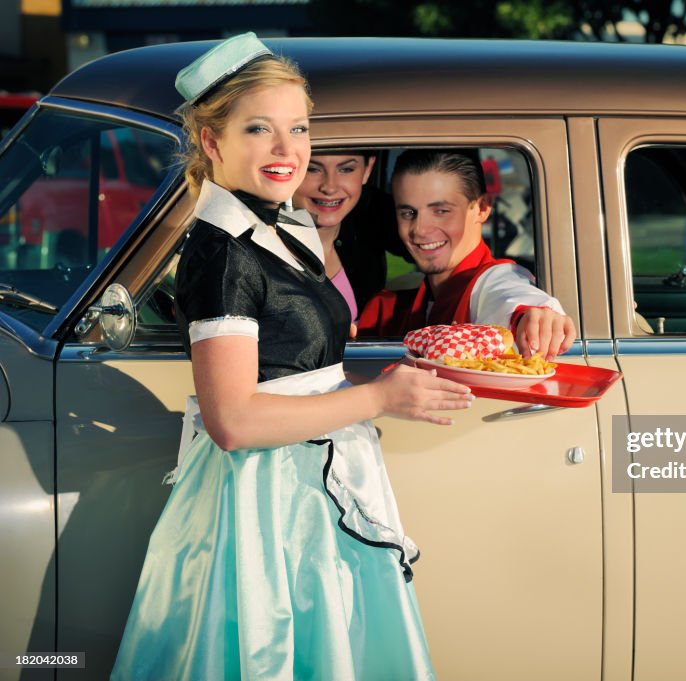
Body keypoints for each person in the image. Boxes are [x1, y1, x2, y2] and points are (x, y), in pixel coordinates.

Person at [111, 34, 470, 681]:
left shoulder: (281, 229)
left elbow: (302, 366)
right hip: (267, 506)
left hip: (306, 490)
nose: (288, 150)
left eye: (298, 128)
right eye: (260, 129)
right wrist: (381, 396)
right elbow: (234, 421)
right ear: (213, 142)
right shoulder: (224, 252)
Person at [358, 149, 575, 359]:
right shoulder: (386, 310)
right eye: (408, 212)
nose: (419, 229)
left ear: (482, 207)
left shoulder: (492, 281)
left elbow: (508, 296)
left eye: (441, 211)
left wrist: (533, 318)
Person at [294, 150, 410, 319]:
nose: (329, 187)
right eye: (312, 169)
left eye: (346, 169)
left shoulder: (371, 211)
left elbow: (428, 248)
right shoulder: (257, 246)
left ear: (367, 170)